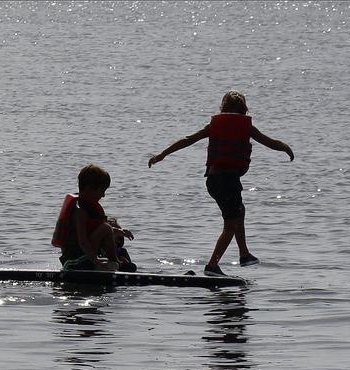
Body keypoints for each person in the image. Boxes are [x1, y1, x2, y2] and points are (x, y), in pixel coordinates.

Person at [148, 90, 294, 276]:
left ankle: (244, 254)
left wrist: (163, 154)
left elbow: (188, 140)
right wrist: (286, 148)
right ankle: (212, 266)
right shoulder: (247, 127)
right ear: (244, 109)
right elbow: (269, 142)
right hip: (227, 181)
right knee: (231, 224)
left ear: (223, 108)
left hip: (214, 181)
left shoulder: (214, 125)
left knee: (239, 211)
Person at [51, 164, 132, 271]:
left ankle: (115, 263)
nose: (103, 195)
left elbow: (93, 231)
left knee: (107, 228)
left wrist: (118, 231)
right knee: (106, 228)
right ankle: (115, 263)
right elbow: (83, 241)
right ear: (89, 188)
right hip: (74, 261)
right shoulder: (80, 211)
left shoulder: (86, 208)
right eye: (102, 191)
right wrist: (97, 262)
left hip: (84, 258)